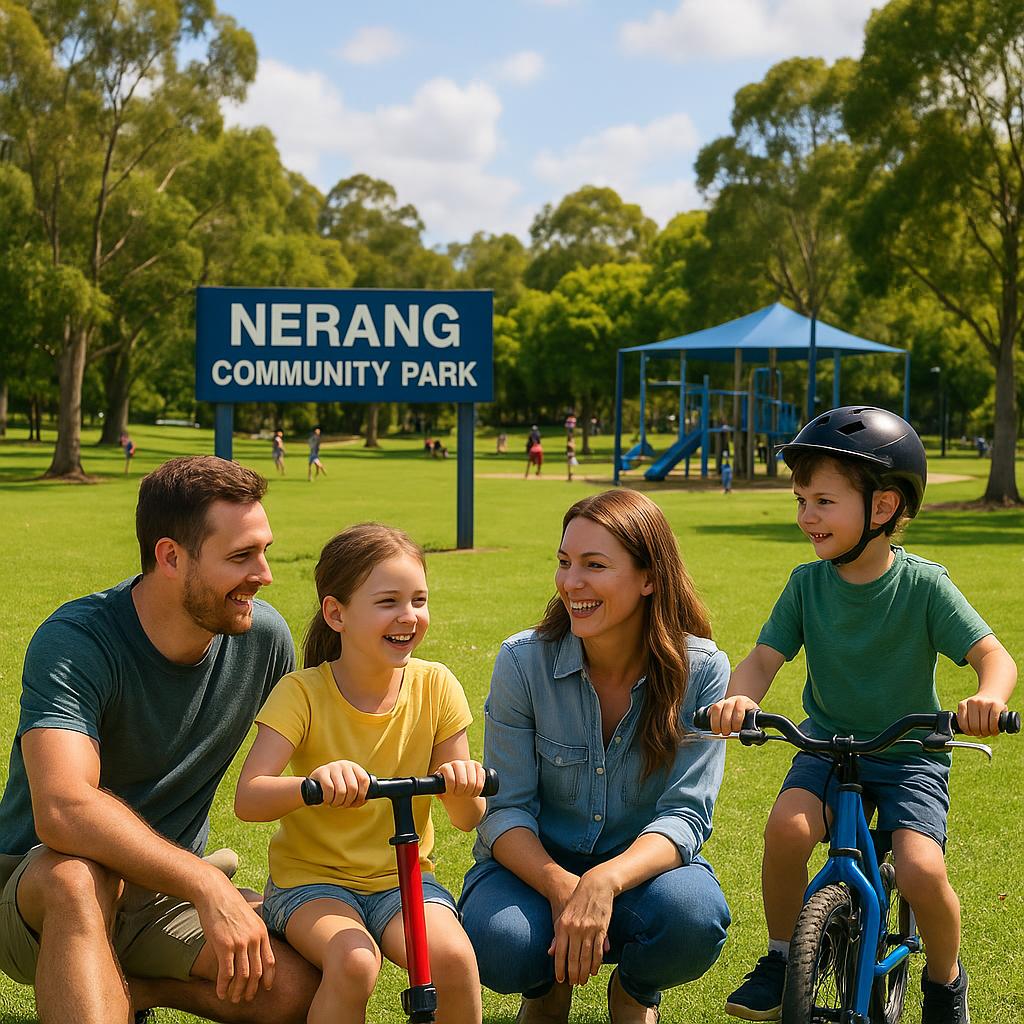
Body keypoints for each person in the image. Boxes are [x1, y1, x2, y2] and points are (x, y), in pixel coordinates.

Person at [705, 406, 1017, 1024]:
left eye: (822, 501)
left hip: (909, 757)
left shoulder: (923, 586)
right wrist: (741, 698)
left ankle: (944, 981)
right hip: (827, 745)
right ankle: (781, 955)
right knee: (786, 832)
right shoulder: (806, 585)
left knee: (922, 869)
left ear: (882, 509)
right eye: (800, 501)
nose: (805, 517)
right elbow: (764, 659)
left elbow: (994, 656)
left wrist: (990, 698)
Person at [0, 456, 319, 1024]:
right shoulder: (76, 641)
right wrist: (203, 880)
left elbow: (319, 759)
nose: (265, 574)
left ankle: (131, 989)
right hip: (39, 887)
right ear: (170, 556)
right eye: (242, 556)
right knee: (77, 877)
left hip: (162, 894)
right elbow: (63, 809)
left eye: (264, 550)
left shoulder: (263, 639)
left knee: (300, 987)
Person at [459, 490, 732, 1024]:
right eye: (564, 563)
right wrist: (564, 888)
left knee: (693, 918)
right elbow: (505, 810)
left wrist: (603, 881)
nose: (570, 583)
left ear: (650, 577)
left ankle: (633, 991)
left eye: (595, 565)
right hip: (534, 872)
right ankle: (545, 988)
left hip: (641, 879)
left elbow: (686, 816)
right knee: (498, 941)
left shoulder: (701, 669)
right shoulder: (522, 662)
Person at [234, 523, 488, 1024]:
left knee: (453, 958)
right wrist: (314, 787)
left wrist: (461, 782)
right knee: (354, 962)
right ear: (337, 614)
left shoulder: (436, 686)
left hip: (405, 880)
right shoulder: (302, 693)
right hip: (311, 883)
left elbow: (468, 817)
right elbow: (249, 798)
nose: (408, 617)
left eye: (419, 600)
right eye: (388, 601)